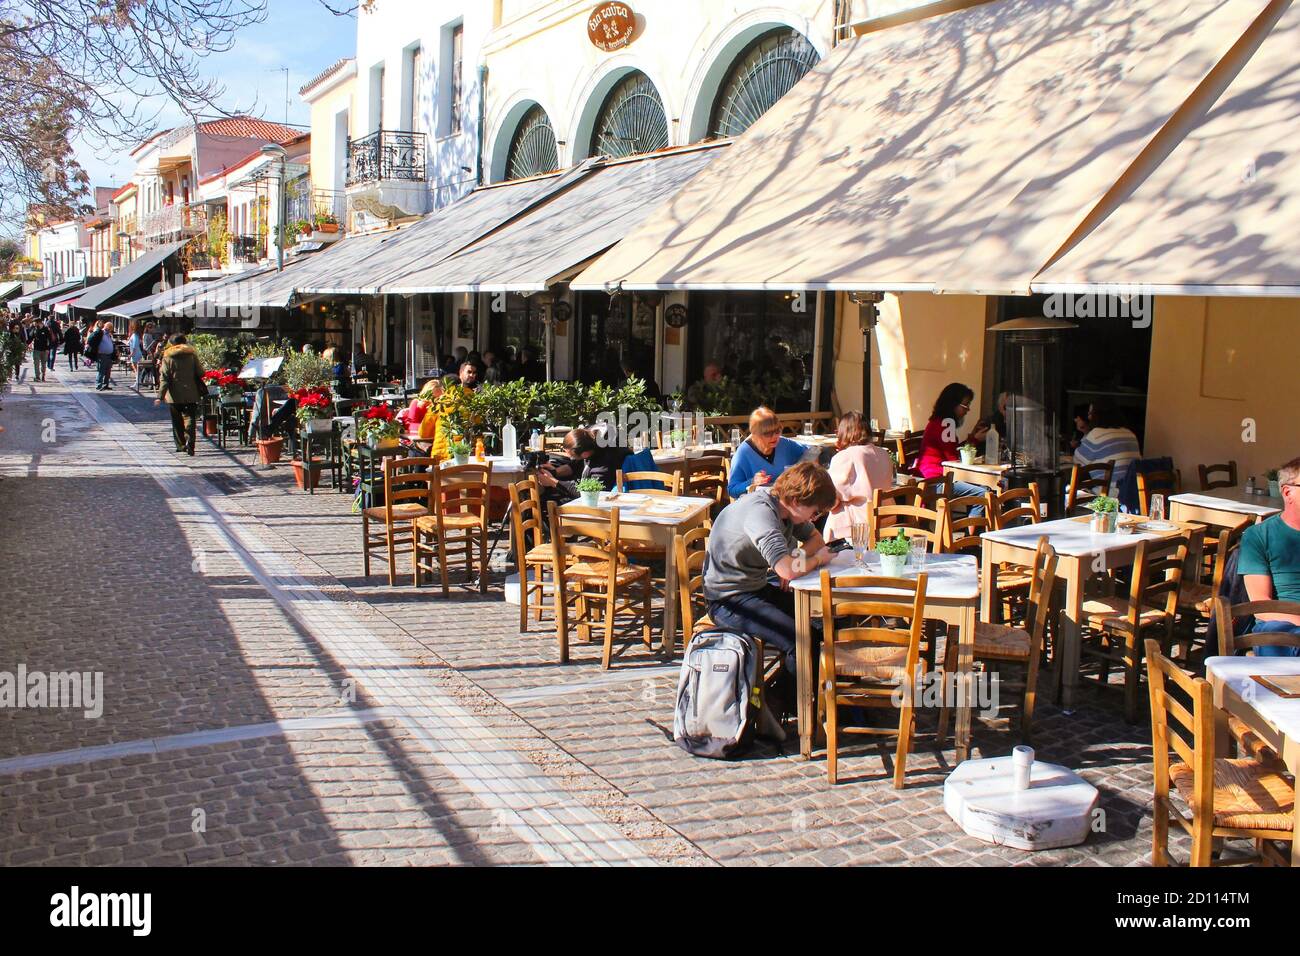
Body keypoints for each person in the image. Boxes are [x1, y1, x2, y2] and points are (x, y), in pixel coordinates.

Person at [704, 461, 836, 680]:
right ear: (796, 500)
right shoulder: (762, 513)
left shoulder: (786, 511)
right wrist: (814, 561)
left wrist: (795, 560)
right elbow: (786, 570)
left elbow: (816, 539)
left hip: (754, 587)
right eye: (814, 513)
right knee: (801, 640)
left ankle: (809, 694)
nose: (814, 519)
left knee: (818, 622)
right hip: (727, 599)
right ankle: (789, 703)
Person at [1237, 456, 1300, 657]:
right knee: (1275, 635)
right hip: (1281, 622)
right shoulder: (1259, 536)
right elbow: (1261, 606)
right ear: (1288, 492)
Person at [916, 382, 989, 512]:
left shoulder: (938, 421)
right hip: (938, 481)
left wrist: (972, 436)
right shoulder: (946, 423)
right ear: (953, 404)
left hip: (929, 477)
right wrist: (975, 440)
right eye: (965, 405)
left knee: (979, 489)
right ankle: (972, 531)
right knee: (983, 494)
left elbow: (952, 450)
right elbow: (954, 458)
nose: (967, 409)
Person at [824, 411, 896, 541]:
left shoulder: (845, 457)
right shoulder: (884, 454)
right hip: (886, 519)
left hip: (858, 525)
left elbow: (831, 499)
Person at [727, 406, 809, 499]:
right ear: (755, 434)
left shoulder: (784, 444)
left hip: (786, 502)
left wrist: (801, 469)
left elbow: (812, 451)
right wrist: (752, 481)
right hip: (757, 505)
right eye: (768, 433)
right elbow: (732, 490)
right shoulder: (743, 453)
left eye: (777, 431)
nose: (774, 436)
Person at [535, 427, 628, 505]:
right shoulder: (589, 444)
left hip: (600, 501)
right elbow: (575, 465)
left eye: (572, 455)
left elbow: (588, 494)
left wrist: (553, 482)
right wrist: (554, 472)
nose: (570, 457)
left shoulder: (603, 465)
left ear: (585, 454)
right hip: (592, 495)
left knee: (547, 502)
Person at [155, 334, 207, 456]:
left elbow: (165, 379)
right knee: (190, 418)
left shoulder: (167, 358)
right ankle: (191, 442)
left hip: (174, 395)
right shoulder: (192, 356)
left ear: (171, 344)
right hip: (191, 393)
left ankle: (181, 445)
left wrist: (160, 396)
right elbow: (201, 372)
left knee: (177, 420)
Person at [1074, 403, 1141, 493]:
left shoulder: (1096, 434)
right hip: (1131, 493)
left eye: (1090, 414)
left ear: (1097, 415)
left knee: (1068, 490)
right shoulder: (1130, 433)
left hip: (1108, 495)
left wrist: (1087, 433)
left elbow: (1077, 461)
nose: (1089, 418)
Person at [85, 321, 117, 390]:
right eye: (109, 327)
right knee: (101, 370)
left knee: (108, 371)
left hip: (109, 355)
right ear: (105, 326)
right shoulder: (100, 333)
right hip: (102, 355)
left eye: (110, 328)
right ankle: (98, 385)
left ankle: (106, 385)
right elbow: (91, 340)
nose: (109, 329)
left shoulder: (109, 334)